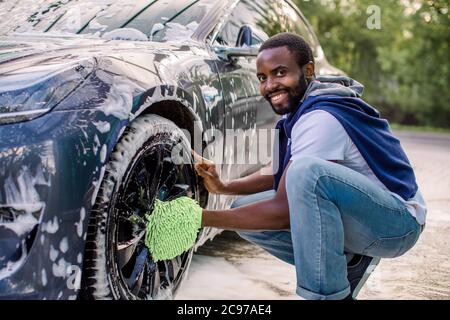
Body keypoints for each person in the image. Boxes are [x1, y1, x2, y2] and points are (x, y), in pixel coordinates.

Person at [193, 32, 426, 300]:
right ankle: (348, 263)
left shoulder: (320, 117)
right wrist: (224, 187)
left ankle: (325, 296)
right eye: (262, 78)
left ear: (308, 70)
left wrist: (201, 218)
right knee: (243, 209)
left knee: (308, 175)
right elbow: (278, 172)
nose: (269, 85)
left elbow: (283, 210)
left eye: (280, 73)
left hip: (397, 225)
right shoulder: (302, 109)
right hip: (370, 215)